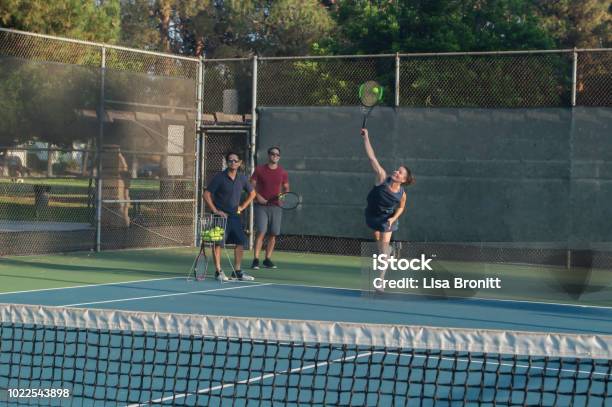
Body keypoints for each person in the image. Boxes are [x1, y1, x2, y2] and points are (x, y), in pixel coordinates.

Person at [203, 151, 257, 281]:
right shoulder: (219, 177)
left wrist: (242, 207)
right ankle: (218, 271)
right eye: (230, 160)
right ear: (227, 163)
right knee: (218, 243)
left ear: (240, 163)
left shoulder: (242, 178)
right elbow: (206, 194)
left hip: (235, 217)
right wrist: (216, 211)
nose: (233, 163)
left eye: (235, 160)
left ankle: (237, 271)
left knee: (240, 242)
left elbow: (253, 194)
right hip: (220, 218)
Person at [362, 128, 415, 256]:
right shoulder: (382, 177)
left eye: (400, 172)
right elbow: (372, 158)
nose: (396, 172)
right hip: (372, 215)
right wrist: (365, 137)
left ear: (404, 179)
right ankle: (390, 250)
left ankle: (381, 276)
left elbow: (401, 208)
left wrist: (393, 218)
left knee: (383, 252)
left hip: (387, 219)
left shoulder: (402, 194)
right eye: (397, 170)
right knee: (380, 244)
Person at [250, 146, 289, 269]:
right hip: (261, 206)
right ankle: (256, 259)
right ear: (268, 155)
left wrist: (282, 199)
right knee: (261, 231)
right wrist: (259, 197)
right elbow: (251, 187)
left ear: (279, 157)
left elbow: (286, 187)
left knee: (273, 233)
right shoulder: (259, 170)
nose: (275, 156)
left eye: (277, 155)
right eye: (272, 154)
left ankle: (267, 259)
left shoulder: (282, 172)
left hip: (276, 207)